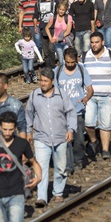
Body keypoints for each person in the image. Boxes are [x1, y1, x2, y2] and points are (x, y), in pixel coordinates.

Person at [26, 69, 77, 207]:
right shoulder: (34, 95)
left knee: (60, 167)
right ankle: (42, 197)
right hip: (41, 137)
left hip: (60, 137)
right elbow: (29, 114)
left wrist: (71, 130)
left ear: (52, 82)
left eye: (45, 81)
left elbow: (71, 113)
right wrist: (28, 131)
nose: (42, 83)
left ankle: (58, 192)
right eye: (41, 80)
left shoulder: (62, 95)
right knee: (41, 167)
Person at [81, 33, 111, 160]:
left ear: (102, 42)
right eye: (92, 42)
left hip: (107, 96)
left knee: (105, 124)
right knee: (88, 123)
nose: (94, 45)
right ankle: (93, 140)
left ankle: (105, 149)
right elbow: (80, 76)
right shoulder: (84, 56)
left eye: (97, 42)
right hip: (89, 96)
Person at [55, 48, 93, 171]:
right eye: (67, 62)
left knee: (79, 138)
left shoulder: (81, 69)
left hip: (78, 110)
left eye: (72, 62)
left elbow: (90, 88)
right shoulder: (58, 71)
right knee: (64, 139)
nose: (70, 65)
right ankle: (67, 163)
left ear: (76, 59)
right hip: (62, 112)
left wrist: (86, 98)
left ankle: (78, 160)